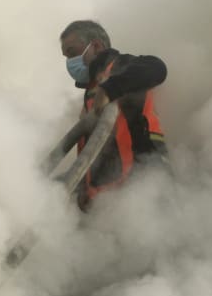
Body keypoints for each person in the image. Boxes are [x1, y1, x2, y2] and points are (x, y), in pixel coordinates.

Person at [60, 19, 168, 209]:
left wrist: (110, 89)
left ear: (96, 46)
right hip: (110, 205)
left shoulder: (122, 67)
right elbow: (94, 156)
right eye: (66, 57)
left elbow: (157, 68)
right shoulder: (92, 91)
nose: (70, 63)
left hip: (145, 197)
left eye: (72, 53)